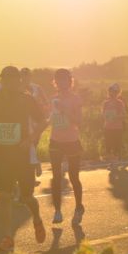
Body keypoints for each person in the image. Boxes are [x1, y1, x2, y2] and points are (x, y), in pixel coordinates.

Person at [0, 66, 47, 252]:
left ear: (19, 81)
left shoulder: (27, 99)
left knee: (27, 196)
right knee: (4, 196)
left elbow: (44, 121)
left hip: (22, 154)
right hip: (3, 154)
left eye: (14, 79)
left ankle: (37, 218)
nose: (10, 82)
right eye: (6, 79)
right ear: (2, 81)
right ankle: (7, 236)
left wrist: (30, 139)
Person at [48, 69, 85, 225]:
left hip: (71, 141)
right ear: (55, 82)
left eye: (64, 80)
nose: (61, 83)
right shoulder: (53, 99)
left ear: (70, 81)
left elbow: (79, 121)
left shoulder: (75, 99)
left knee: (73, 176)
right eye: (58, 80)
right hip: (55, 140)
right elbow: (50, 119)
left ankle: (78, 206)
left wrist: (65, 111)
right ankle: (57, 211)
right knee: (56, 177)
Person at [21, 67, 49, 178]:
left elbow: (46, 102)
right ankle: (33, 166)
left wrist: (42, 109)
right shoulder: (18, 88)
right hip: (24, 119)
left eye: (27, 75)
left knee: (33, 143)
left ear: (30, 76)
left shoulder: (37, 88)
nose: (25, 77)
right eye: (23, 75)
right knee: (27, 143)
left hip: (36, 120)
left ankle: (34, 165)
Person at [102, 83, 128, 172]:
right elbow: (103, 114)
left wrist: (115, 116)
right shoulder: (105, 103)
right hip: (107, 127)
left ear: (117, 93)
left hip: (117, 128)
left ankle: (114, 163)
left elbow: (124, 115)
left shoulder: (119, 103)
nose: (112, 93)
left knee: (116, 146)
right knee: (108, 146)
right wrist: (106, 116)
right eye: (110, 91)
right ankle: (111, 162)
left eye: (114, 92)